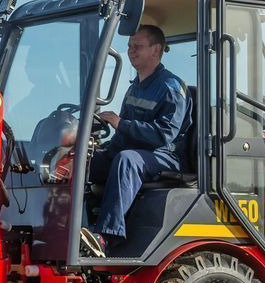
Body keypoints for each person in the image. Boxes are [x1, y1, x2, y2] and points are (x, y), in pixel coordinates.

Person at [81, 24, 190, 257]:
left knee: (126, 160)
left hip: (164, 156)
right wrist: (99, 149)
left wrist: (121, 123)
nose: (131, 51)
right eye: (130, 46)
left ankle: (107, 236)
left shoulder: (171, 88)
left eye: (138, 46)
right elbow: (123, 135)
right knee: (84, 160)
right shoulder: (136, 88)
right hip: (136, 153)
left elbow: (164, 136)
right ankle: (73, 225)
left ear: (156, 50)